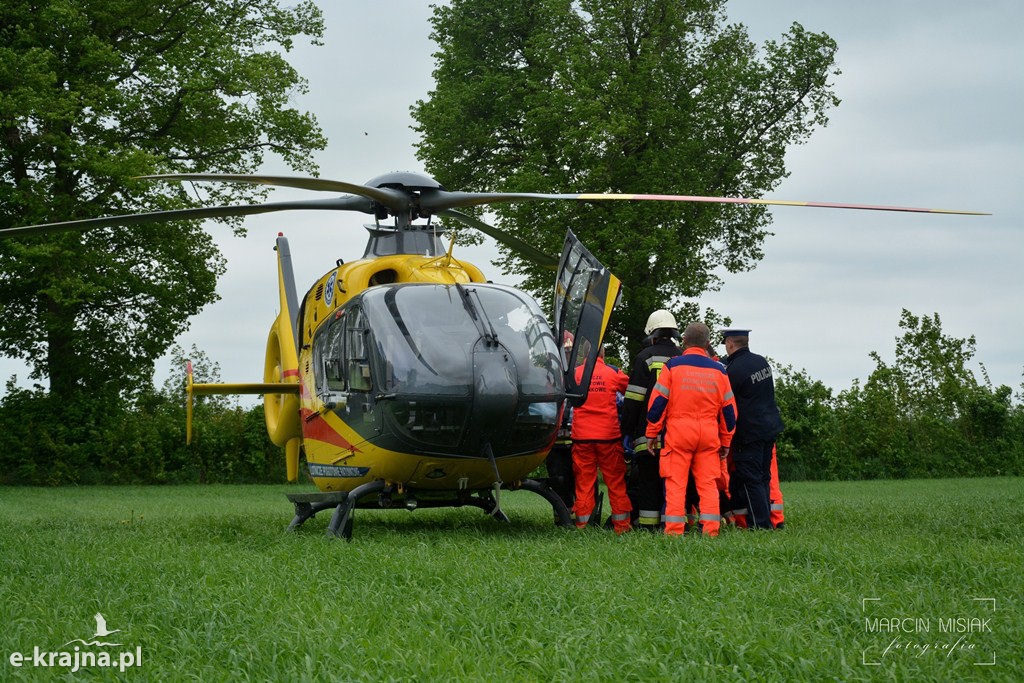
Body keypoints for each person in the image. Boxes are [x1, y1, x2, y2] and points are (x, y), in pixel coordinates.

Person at [646, 322, 736, 536]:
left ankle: (674, 531)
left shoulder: (672, 366)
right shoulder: (719, 371)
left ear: (684, 340)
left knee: (676, 484)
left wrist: (652, 432)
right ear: (707, 343)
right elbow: (729, 412)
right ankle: (711, 530)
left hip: (678, 433)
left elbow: (658, 403)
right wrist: (726, 441)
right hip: (708, 434)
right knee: (708, 485)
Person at [620, 309, 682, 531]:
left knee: (648, 481)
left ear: (652, 333)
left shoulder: (645, 357)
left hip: (647, 433)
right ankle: (672, 523)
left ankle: (648, 526)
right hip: (677, 434)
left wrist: (626, 430)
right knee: (675, 482)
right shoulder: (682, 357)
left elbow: (634, 399)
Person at [722, 328, 784, 530]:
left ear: (730, 343)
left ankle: (760, 525)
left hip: (748, 434)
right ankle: (766, 521)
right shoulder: (761, 362)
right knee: (764, 477)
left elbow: (726, 405)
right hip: (769, 428)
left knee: (751, 479)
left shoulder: (732, 371)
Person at [571, 345, 632, 534]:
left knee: (584, 482)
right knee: (615, 482)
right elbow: (632, 391)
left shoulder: (575, 373)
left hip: (582, 437)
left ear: (584, 354)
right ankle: (622, 526)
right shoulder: (613, 373)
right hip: (608, 436)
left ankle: (583, 525)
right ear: (603, 354)